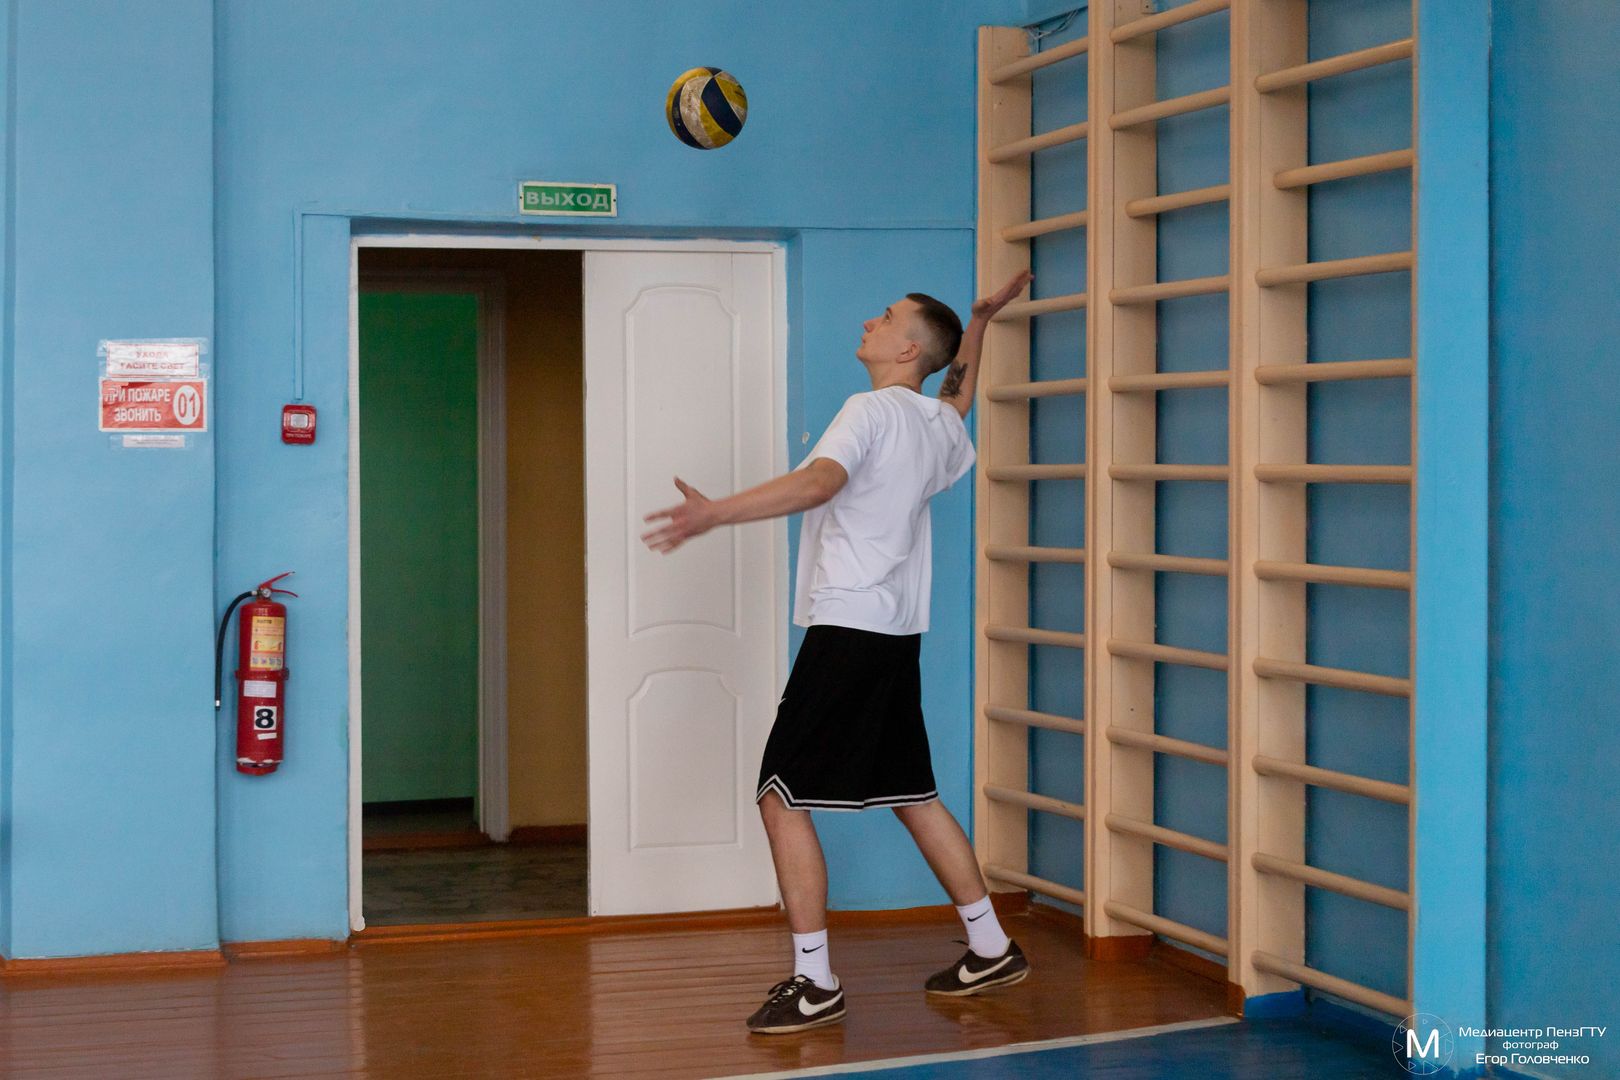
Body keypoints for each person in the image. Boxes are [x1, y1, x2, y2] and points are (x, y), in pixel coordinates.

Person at [641, 270, 1035, 1035]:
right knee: (912, 793)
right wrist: (980, 322)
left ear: (908, 348)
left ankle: (815, 981)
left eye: (884, 316)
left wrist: (716, 513)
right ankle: (990, 946)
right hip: (895, 636)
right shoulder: (935, 424)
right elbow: (957, 398)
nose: (868, 321)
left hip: (850, 630)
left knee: (780, 793)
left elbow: (821, 481)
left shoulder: (870, 411)